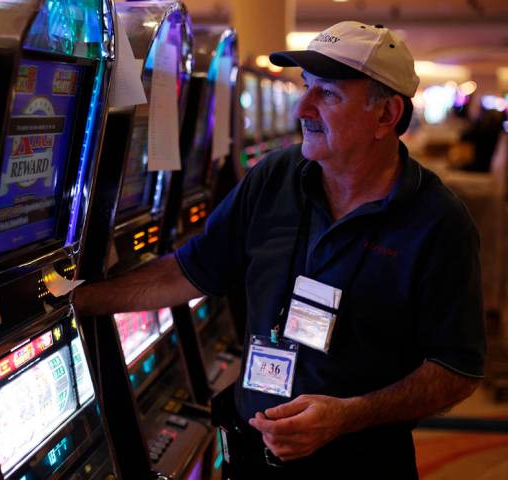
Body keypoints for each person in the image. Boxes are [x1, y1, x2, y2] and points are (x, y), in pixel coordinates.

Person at [74, 20, 485, 478]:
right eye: (305, 87)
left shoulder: (437, 221)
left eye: (327, 94)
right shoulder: (275, 177)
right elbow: (186, 274)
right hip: (251, 456)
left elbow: (456, 369)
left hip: (359, 464)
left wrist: (348, 415)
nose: (302, 107)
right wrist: (77, 301)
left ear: (386, 115)